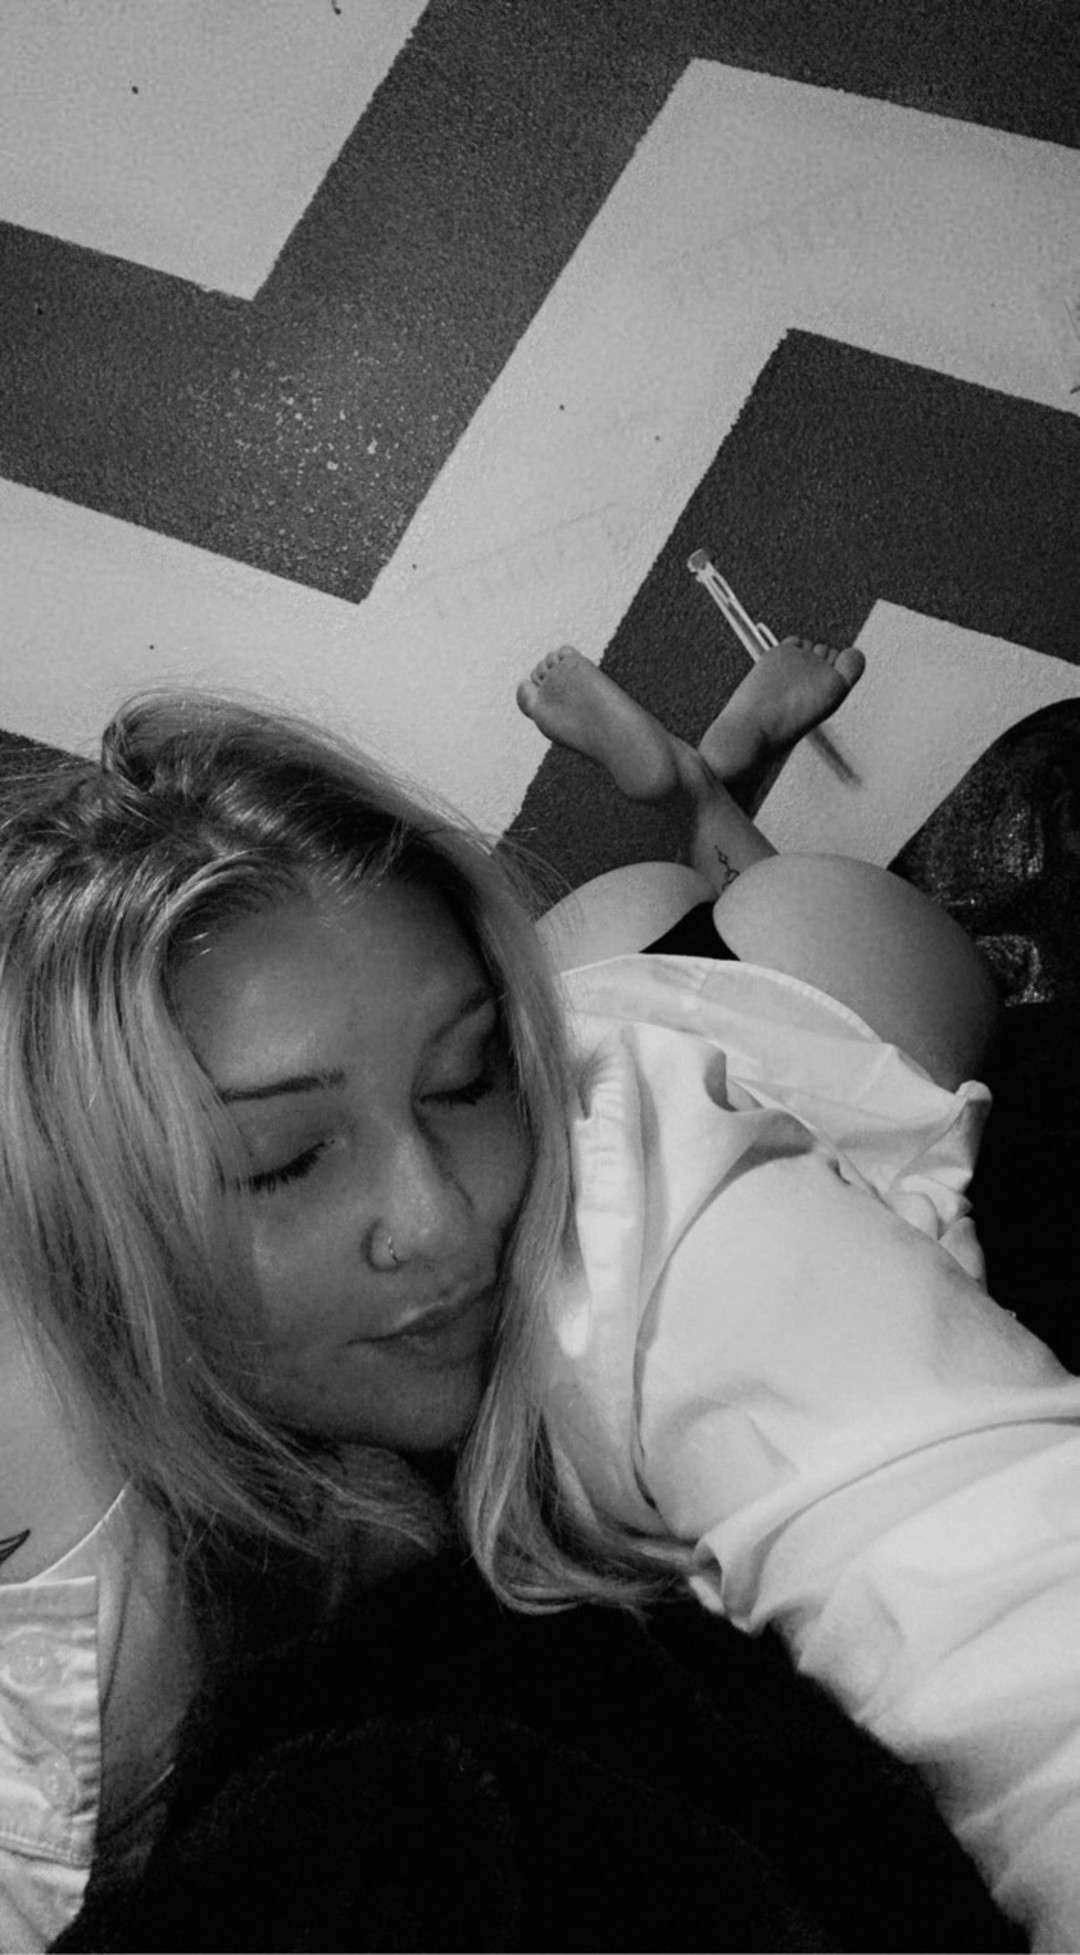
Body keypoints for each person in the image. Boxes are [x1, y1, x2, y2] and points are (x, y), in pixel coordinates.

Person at [0, 637, 1073, 1949]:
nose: (441, 1221)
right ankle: (698, 777)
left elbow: (1016, 1617)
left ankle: (702, 784)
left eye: (468, 1077)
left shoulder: (640, 1235)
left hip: (798, 986)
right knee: (668, 887)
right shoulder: (72, 1355)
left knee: (782, 889)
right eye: (282, 1161)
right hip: (590, 974)